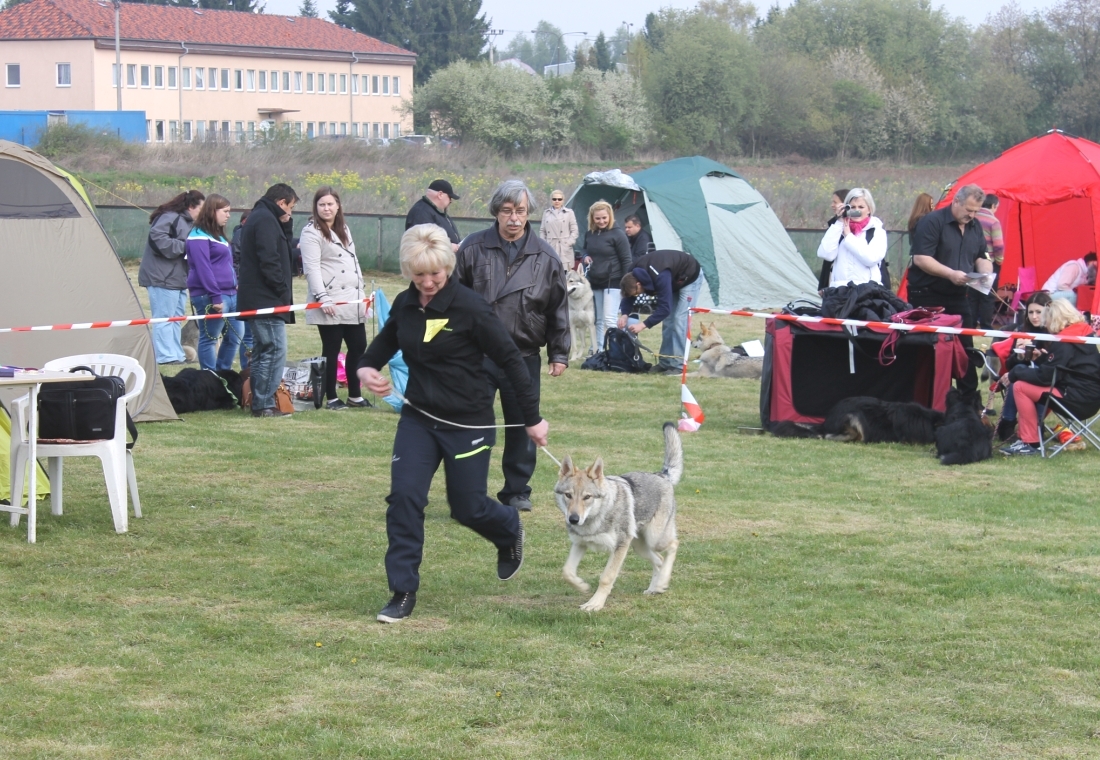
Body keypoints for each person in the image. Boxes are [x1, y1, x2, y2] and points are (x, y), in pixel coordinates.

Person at [357, 224, 549, 623]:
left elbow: (513, 362)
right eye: (418, 275)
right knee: (404, 499)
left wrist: (531, 419)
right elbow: (386, 341)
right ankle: (402, 590)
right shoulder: (406, 304)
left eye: (435, 274)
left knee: (468, 507)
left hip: (468, 422)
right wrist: (365, 368)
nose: (427, 283)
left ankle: (507, 528)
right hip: (418, 419)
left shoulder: (471, 308)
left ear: (448, 267)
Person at [455, 180, 570, 512]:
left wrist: (559, 352)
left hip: (523, 355)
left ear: (528, 213)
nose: (514, 218)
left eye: (520, 211)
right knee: (474, 424)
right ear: (496, 212)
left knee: (523, 424)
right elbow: (452, 300)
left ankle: (517, 490)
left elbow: (558, 307)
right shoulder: (472, 248)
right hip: (477, 355)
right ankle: (470, 489)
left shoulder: (546, 257)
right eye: (507, 211)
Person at [906, 184, 993, 402]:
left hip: (958, 295)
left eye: (976, 211)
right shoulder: (931, 222)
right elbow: (921, 258)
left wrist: (985, 274)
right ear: (956, 202)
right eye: (968, 210)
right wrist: (951, 274)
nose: (971, 215)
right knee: (928, 349)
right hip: (926, 294)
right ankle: (924, 398)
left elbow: (982, 255)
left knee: (966, 349)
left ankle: (969, 401)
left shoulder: (975, 227)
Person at [300, 186, 371, 411]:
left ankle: (355, 395)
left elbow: (353, 262)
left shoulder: (344, 229)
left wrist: (362, 294)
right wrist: (323, 298)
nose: (326, 208)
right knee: (332, 348)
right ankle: (330, 396)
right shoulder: (311, 232)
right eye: (322, 204)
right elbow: (311, 268)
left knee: (359, 345)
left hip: (352, 298)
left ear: (338, 205)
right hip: (330, 299)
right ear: (316, 207)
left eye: (330, 204)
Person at [1000, 299, 1100, 456]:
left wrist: (1015, 373)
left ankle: (1030, 442)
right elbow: (1061, 368)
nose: (1045, 325)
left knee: (1020, 386)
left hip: (1075, 398)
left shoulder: (1065, 340)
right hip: (1090, 397)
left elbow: (1046, 377)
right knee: (1026, 384)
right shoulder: (1082, 333)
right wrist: (1040, 359)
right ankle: (1028, 436)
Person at [238, 183, 299, 418]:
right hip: (265, 298)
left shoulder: (265, 217)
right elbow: (269, 258)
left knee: (265, 350)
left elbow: (283, 247)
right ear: (281, 202)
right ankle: (263, 403)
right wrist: (282, 290)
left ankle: (262, 401)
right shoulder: (264, 219)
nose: (290, 212)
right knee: (274, 349)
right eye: (290, 207)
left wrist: (287, 225)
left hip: (263, 297)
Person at [139, 189, 205, 364]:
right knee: (164, 318)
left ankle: (176, 354)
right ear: (191, 206)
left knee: (176, 318)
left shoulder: (190, 223)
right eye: (201, 208)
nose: (203, 213)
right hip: (162, 277)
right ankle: (165, 356)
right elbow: (157, 240)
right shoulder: (170, 217)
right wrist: (186, 246)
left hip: (177, 279)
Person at [617, 250, 702, 375]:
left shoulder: (660, 276)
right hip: (673, 279)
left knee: (679, 320)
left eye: (637, 293)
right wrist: (624, 314)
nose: (638, 295)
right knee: (668, 322)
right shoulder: (631, 274)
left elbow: (664, 309)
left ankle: (679, 365)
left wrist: (643, 325)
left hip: (689, 276)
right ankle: (665, 363)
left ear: (639, 284)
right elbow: (629, 297)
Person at [185, 194, 242, 371]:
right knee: (209, 338)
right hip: (211, 296)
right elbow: (203, 269)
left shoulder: (218, 235)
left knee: (236, 336)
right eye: (225, 211)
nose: (228, 215)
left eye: (229, 211)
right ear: (212, 211)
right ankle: (210, 376)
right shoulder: (197, 236)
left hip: (231, 293)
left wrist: (235, 282)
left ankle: (222, 373)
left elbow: (226, 263)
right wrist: (215, 297)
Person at [993, 291, 1052, 442]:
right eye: (1030, 312)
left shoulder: (1054, 333)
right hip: (1025, 378)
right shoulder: (1022, 331)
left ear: (1049, 311)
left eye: (1039, 312)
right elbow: (1009, 365)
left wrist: (1039, 356)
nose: (1034, 316)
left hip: (1048, 380)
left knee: (1018, 382)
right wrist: (1019, 355)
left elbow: (1051, 367)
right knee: (1016, 382)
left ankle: (1033, 424)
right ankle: (1007, 424)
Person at [582, 200, 632, 346]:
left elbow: (626, 259)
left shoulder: (618, 234)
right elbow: (584, 249)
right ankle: (599, 350)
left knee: (609, 319)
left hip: (614, 281)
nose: (601, 221)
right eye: (597, 218)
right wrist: (585, 257)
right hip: (596, 281)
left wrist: (625, 284)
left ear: (610, 216)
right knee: (598, 319)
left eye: (604, 217)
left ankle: (615, 351)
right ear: (592, 218)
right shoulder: (589, 234)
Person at [816, 188, 887, 288]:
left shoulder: (877, 231)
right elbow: (826, 254)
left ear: (869, 209)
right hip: (840, 291)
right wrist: (839, 221)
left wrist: (849, 237)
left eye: (861, 207)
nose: (856, 210)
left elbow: (871, 258)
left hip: (867, 291)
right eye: (852, 207)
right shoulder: (839, 228)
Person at [974, 193, 1005, 329]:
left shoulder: (973, 217)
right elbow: (998, 245)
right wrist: (999, 260)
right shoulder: (993, 221)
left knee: (973, 296)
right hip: (989, 262)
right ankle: (986, 326)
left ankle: (971, 324)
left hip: (973, 261)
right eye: (996, 207)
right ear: (993, 206)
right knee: (988, 295)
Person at [405, 179, 461, 252]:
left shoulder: (434, 211)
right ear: (440, 195)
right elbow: (422, 245)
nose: (451, 201)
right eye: (449, 197)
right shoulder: (421, 212)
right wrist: (448, 247)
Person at [230, 210, 253, 369]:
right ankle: (246, 369)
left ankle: (250, 368)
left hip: (252, 287)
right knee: (246, 334)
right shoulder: (240, 234)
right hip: (242, 287)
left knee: (250, 333)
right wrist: (238, 280)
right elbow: (235, 259)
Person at [817, 188, 849, 292]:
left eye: (835, 202)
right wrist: (823, 286)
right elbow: (827, 257)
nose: (832, 205)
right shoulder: (835, 225)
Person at [539, 189, 579, 270]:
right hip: (550, 246)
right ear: (551, 200)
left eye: (559, 199)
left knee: (565, 273)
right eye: (554, 199)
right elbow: (542, 230)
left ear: (563, 200)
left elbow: (574, 230)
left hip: (564, 248)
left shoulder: (569, 213)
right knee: (550, 271)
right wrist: (544, 244)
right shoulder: (546, 213)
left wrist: (568, 242)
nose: (557, 201)